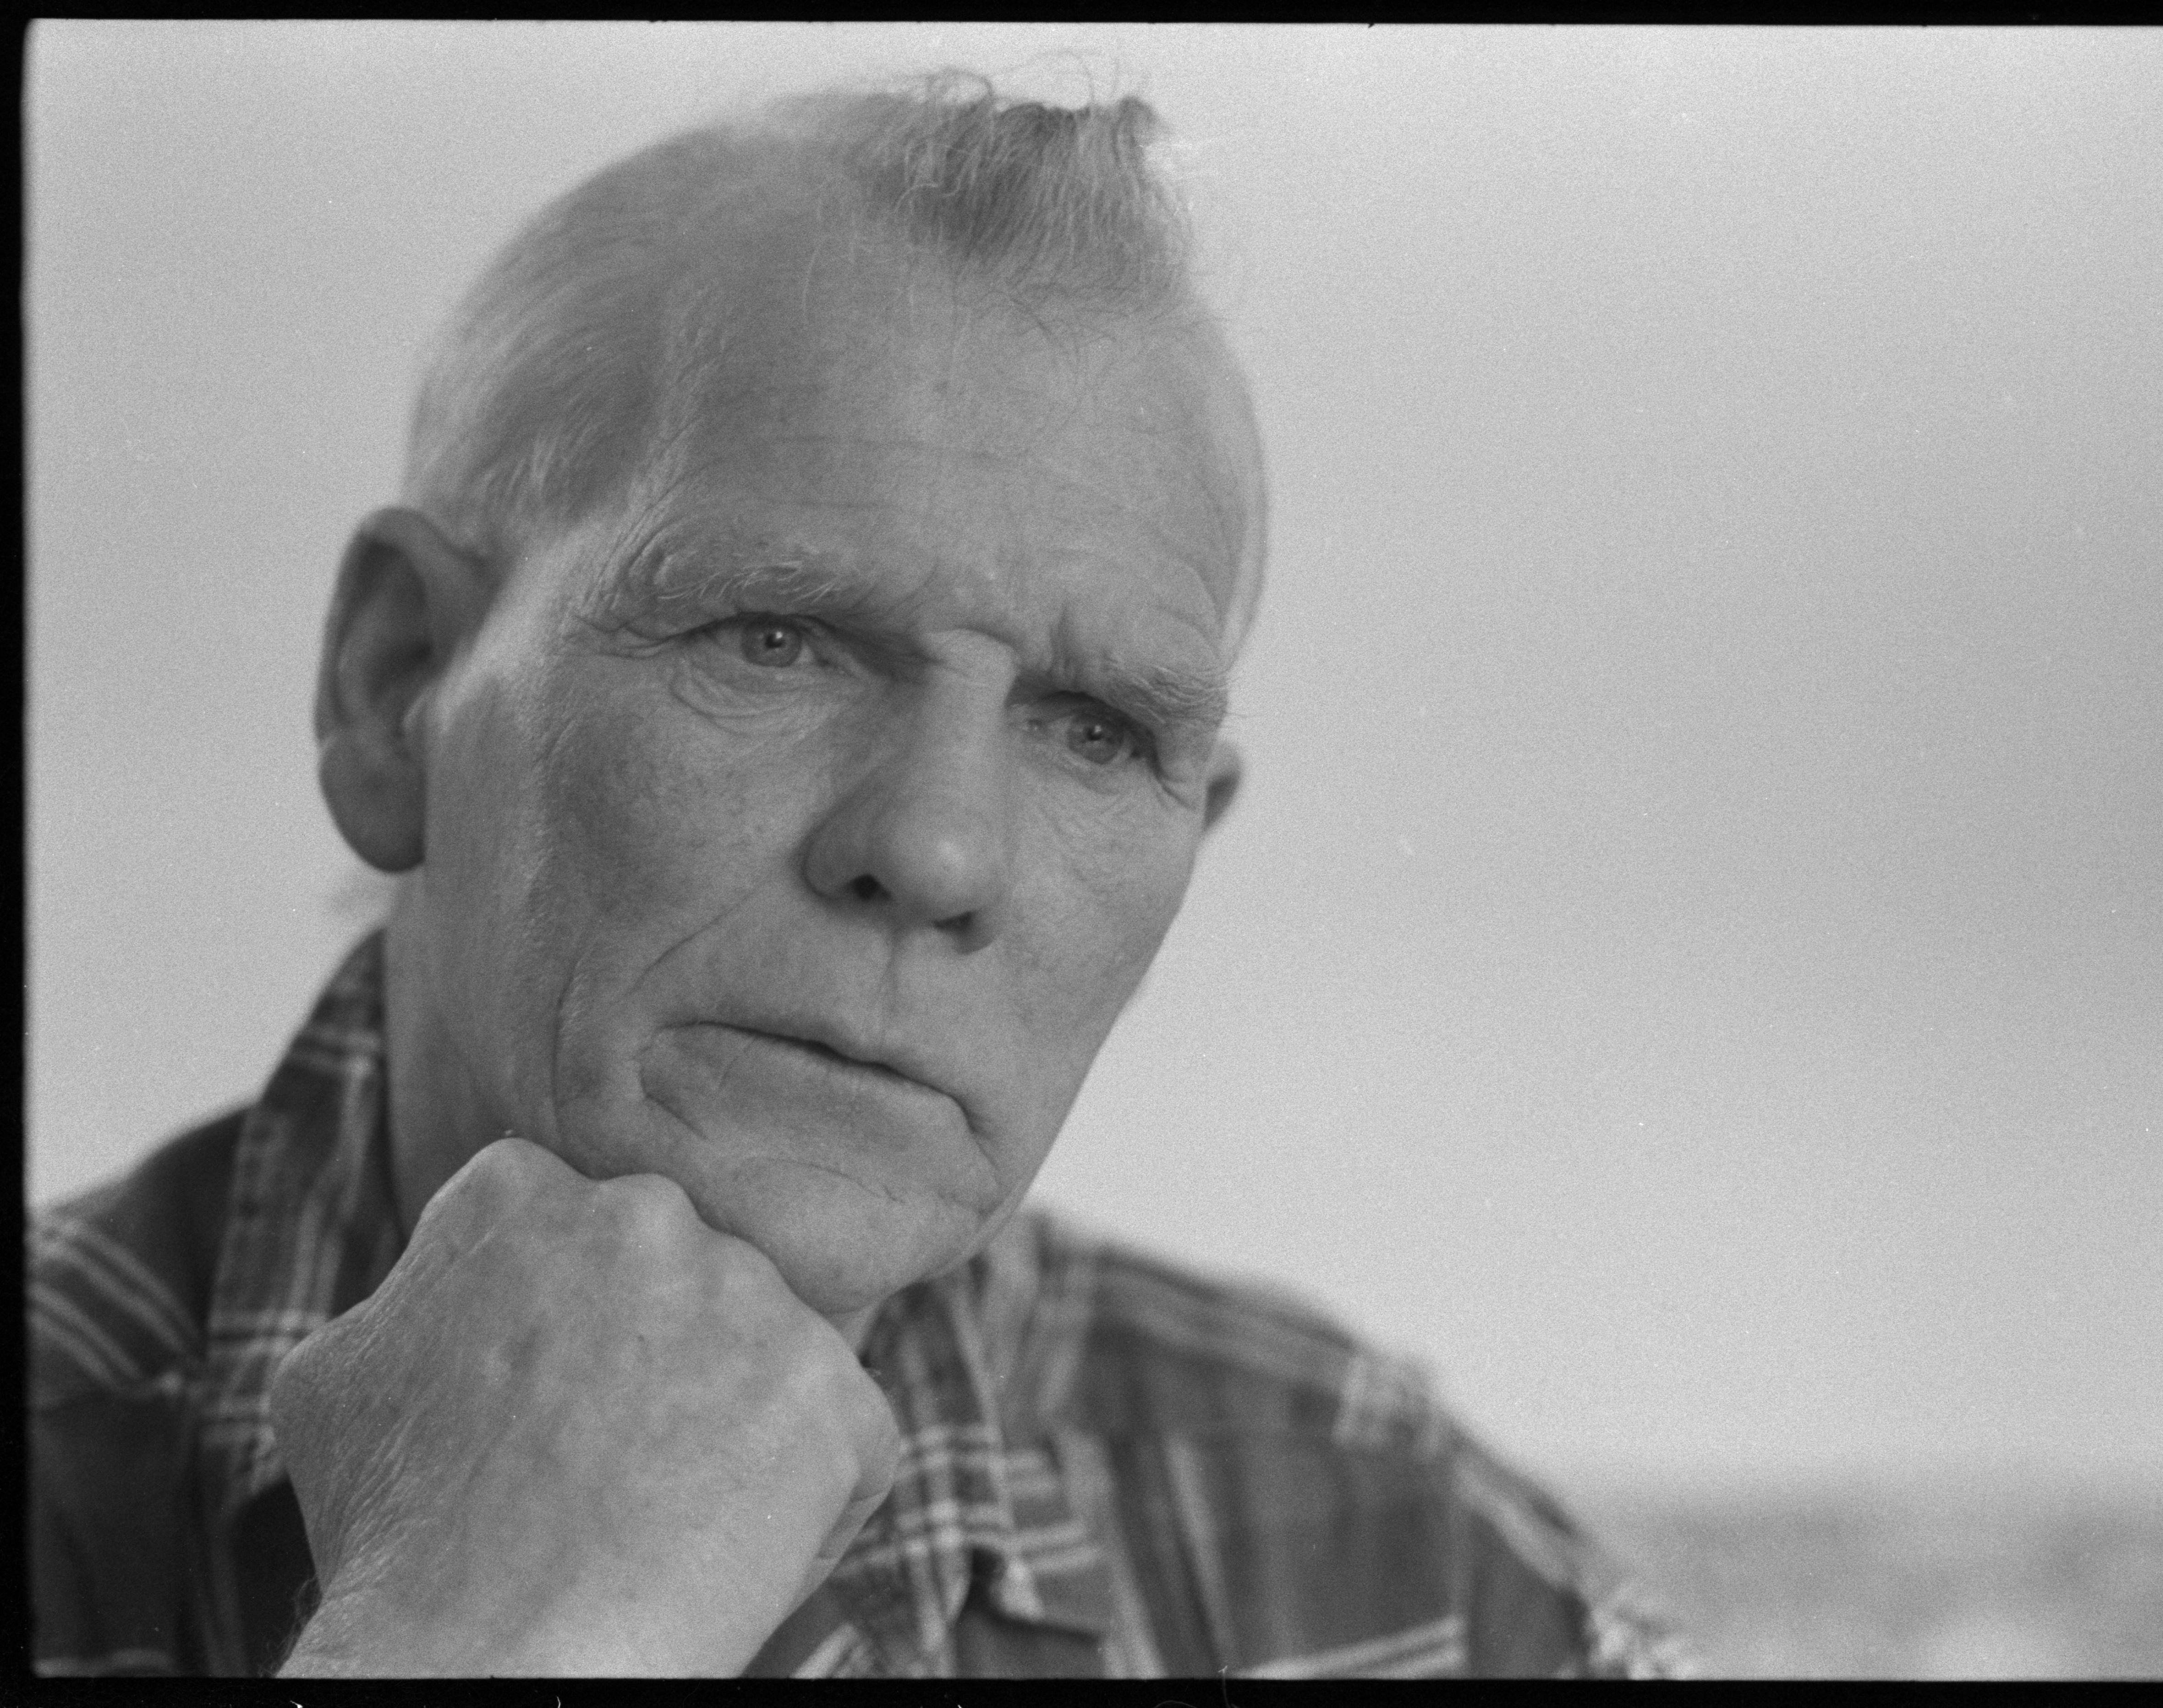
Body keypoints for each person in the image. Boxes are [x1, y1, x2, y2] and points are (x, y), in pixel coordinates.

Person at [28, 76, 1699, 1679]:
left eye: (1098, 733)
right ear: (397, 686)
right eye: (779, 639)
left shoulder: (1435, 1578)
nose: (939, 852)